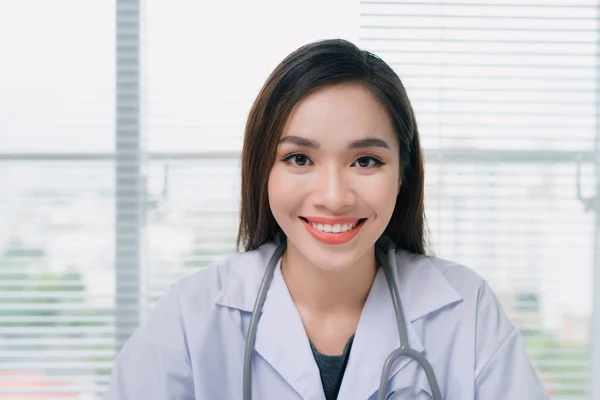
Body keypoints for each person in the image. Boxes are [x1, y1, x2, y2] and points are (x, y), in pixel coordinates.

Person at [104, 39, 550, 400]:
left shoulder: (465, 310)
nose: (334, 197)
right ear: (262, 169)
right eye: (299, 158)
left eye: (366, 161)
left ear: (403, 173)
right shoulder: (191, 316)